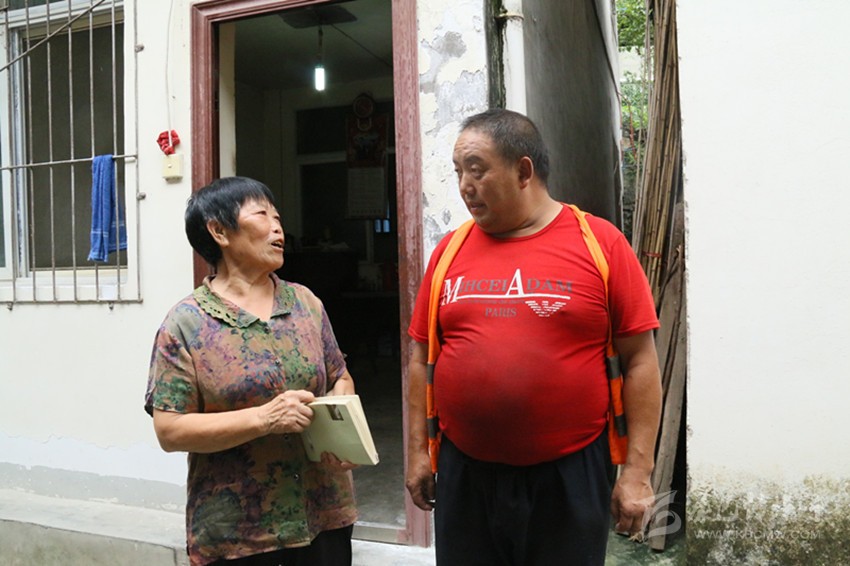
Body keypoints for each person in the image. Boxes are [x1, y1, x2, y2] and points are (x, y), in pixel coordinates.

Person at [405, 109, 662, 565]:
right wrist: (417, 453)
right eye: (458, 171)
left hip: (569, 475)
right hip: (466, 474)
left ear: (524, 171)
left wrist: (637, 473)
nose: (464, 185)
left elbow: (640, 360)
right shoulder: (449, 251)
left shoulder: (600, 244)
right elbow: (420, 355)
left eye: (476, 169)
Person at [145, 176, 358, 566]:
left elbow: (339, 376)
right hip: (239, 533)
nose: (278, 227)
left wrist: (342, 434)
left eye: (278, 217)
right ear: (219, 231)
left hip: (323, 514)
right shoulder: (186, 323)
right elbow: (170, 430)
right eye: (262, 214)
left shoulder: (306, 303)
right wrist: (264, 419)